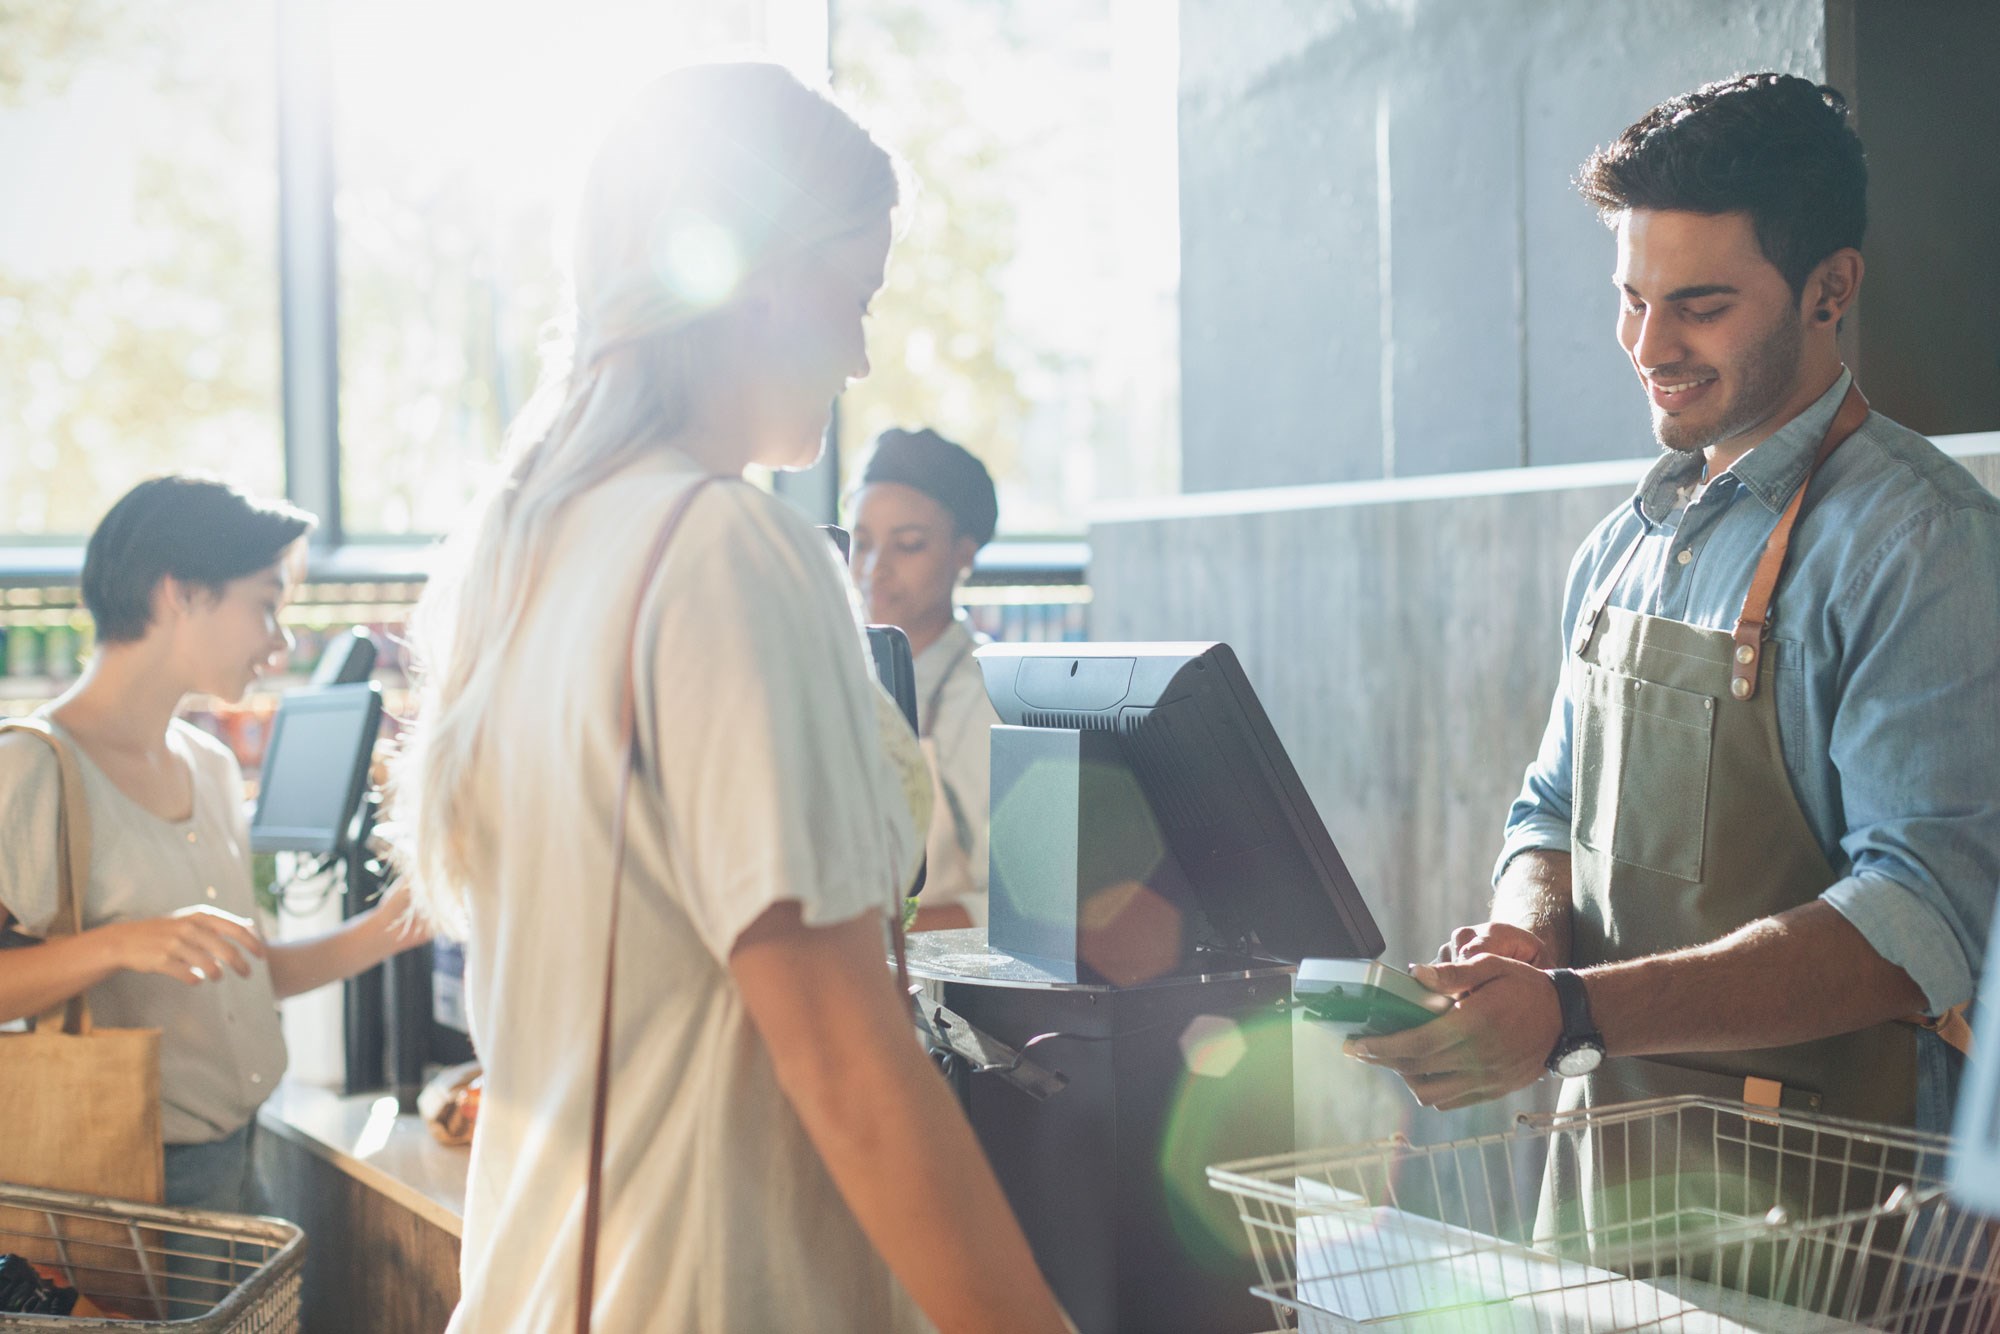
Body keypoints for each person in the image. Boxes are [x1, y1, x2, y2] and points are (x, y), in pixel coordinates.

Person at [392, 64, 1070, 1333]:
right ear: (758, 276)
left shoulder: (528, 551)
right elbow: (845, 1058)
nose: (860, 348)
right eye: (852, 294)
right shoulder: (720, 546)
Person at [1347, 74, 2000, 1224]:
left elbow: (1919, 926)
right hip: (1606, 1183)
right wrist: (1521, 928)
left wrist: (1573, 1009)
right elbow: (1547, 807)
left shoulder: (1921, 542)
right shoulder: (1619, 545)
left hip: (1831, 1218)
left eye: (1697, 304)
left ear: (1827, 289)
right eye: (1630, 299)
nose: (1648, 345)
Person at [0, 474, 427, 1213]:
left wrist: (397, 924)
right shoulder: (31, 767)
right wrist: (118, 945)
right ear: (182, 592)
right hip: (120, 1184)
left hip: (241, 1157)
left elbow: (244, 972)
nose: (280, 640)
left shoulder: (212, 766)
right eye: (265, 603)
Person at [849, 427, 1003, 931]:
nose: (873, 569)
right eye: (861, 542)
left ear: (965, 553)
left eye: (908, 545)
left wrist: (866, 934)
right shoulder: (834, 679)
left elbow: (1014, 908)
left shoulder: (989, 699)